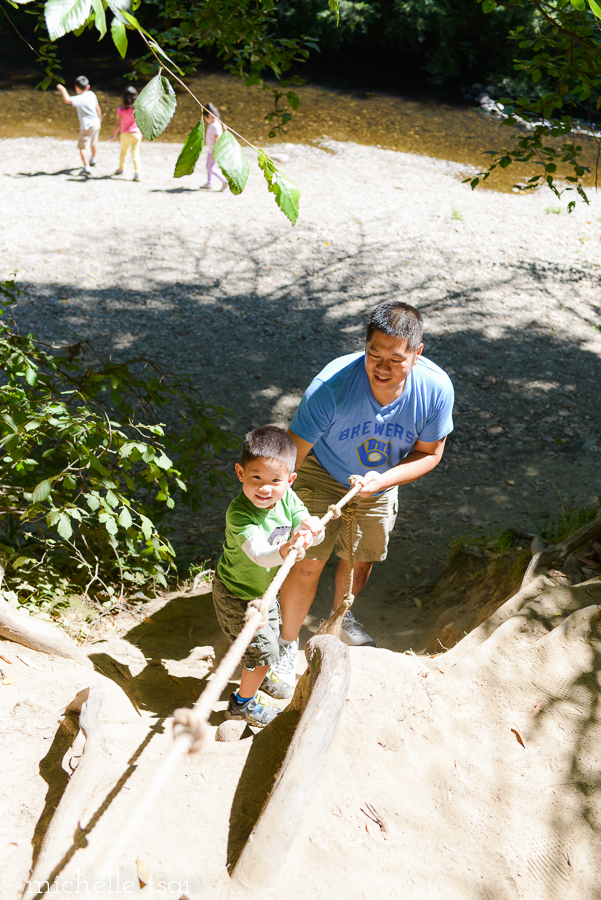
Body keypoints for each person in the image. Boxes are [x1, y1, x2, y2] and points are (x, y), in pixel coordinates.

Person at [272, 300, 454, 691]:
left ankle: (340, 620)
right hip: (320, 471)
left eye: (396, 359)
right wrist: (288, 515)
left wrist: (384, 480)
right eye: (374, 354)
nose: (382, 368)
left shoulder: (436, 390)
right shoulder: (330, 387)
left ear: (417, 354)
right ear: (365, 347)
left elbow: (430, 453)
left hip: (381, 477)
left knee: (360, 557)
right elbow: (291, 461)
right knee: (307, 561)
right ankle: (286, 647)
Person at [213, 426, 323, 727]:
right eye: (256, 478)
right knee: (262, 652)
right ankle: (241, 704)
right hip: (237, 594)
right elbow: (260, 555)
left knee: (272, 642)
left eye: (276, 480)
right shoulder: (240, 515)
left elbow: (305, 520)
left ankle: (259, 677)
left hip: (264, 593)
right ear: (240, 472)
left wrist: (312, 529)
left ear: (290, 480)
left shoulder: (287, 499)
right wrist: (288, 550)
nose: (265, 488)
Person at [56, 76, 102, 177]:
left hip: (87, 126)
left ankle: (87, 168)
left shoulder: (80, 98)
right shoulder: (92, 95)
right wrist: (100, 119)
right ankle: (93, 160)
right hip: (96, 123)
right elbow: (97, 107)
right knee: (94, 142)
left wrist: (63, 89)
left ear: (76, 87)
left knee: (82, 147)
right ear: (88, 87)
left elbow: (67, 100)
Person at [108, 86, 142, 182]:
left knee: (123, 152)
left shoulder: (121, 109)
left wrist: (112, 136)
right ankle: (137, 173)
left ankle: (121, 169)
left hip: (125, 134)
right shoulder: (139, 109)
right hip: (137, 134)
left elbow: (118, 124)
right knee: (135, 154)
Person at [200, 103, 227, 192]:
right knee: (208, 166)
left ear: (210, 116)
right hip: (210, 150)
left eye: (205, 118)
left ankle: (224, 180)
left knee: (210, 168)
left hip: (214, 151)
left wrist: (215, 152)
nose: (205, 120)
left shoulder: (215, 126)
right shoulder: (213, 124)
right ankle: (209, 183)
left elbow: (217, 139)